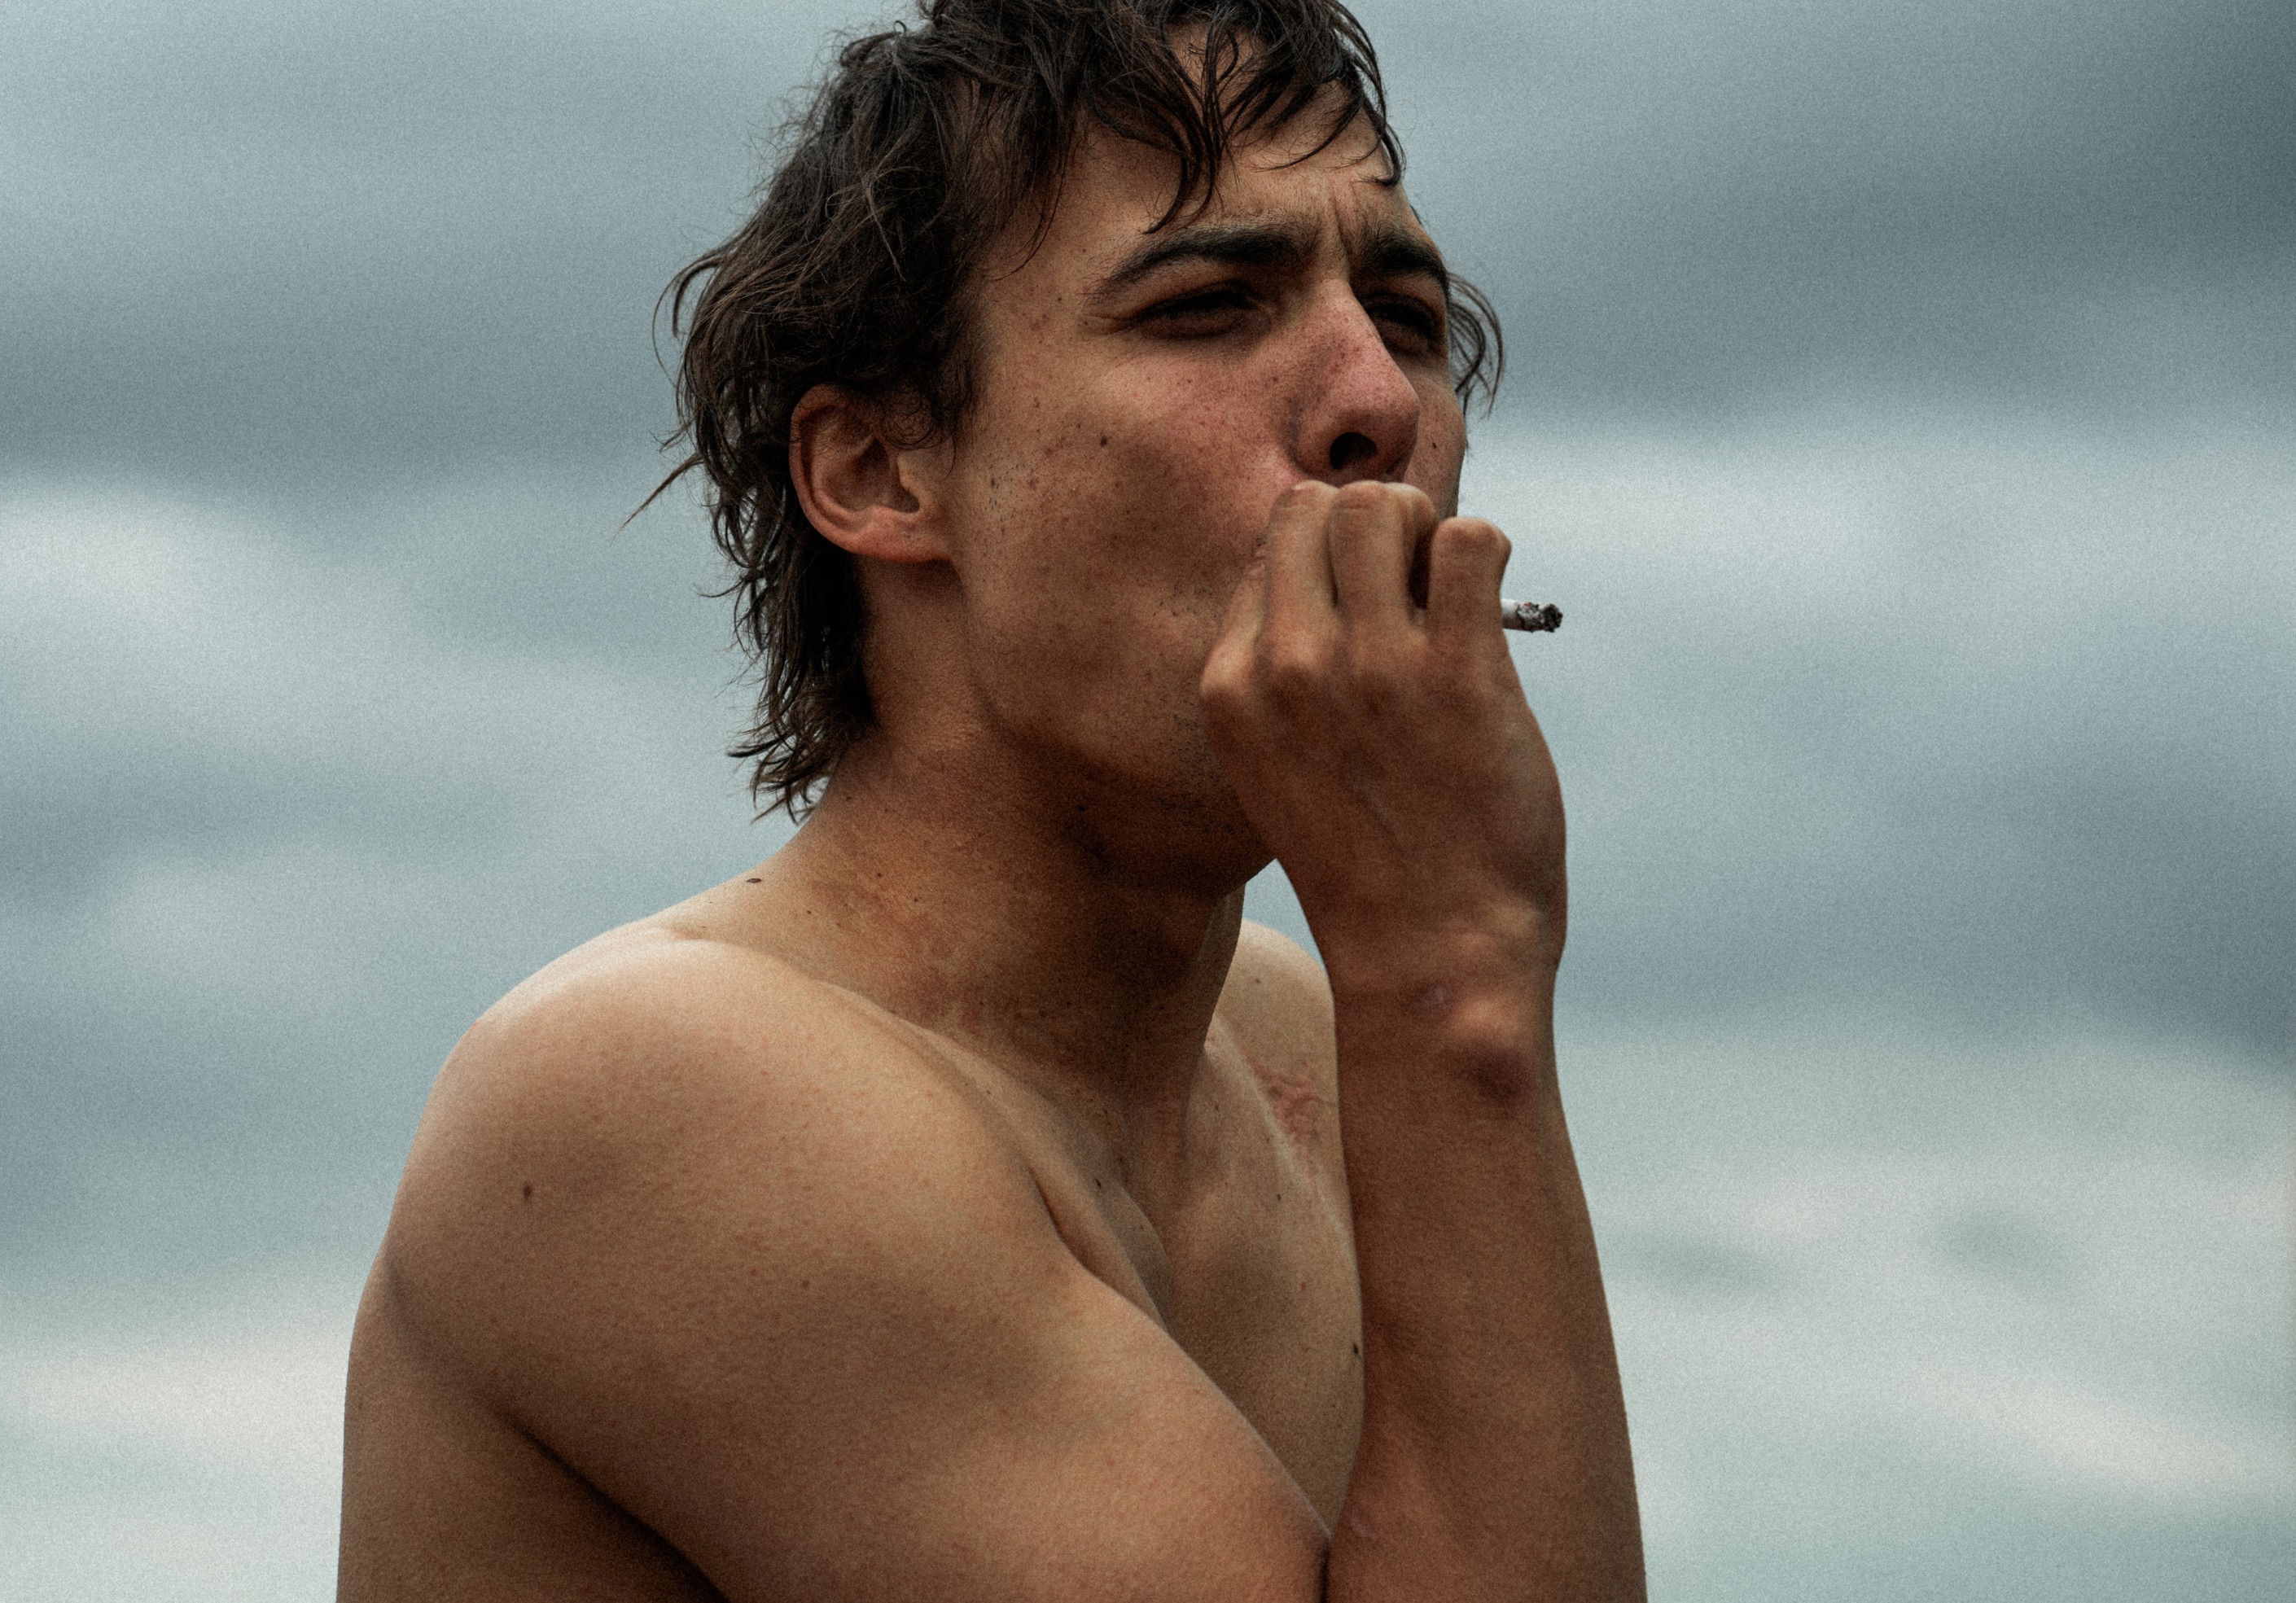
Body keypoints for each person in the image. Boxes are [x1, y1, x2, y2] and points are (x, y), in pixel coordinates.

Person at [338, 2, 1642, 1597]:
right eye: (1206, 308)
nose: (1374, 401)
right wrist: (1455, 970)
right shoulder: (656, 1083)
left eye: (1408, 316)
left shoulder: (1287, 1042)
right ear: (879, 472)